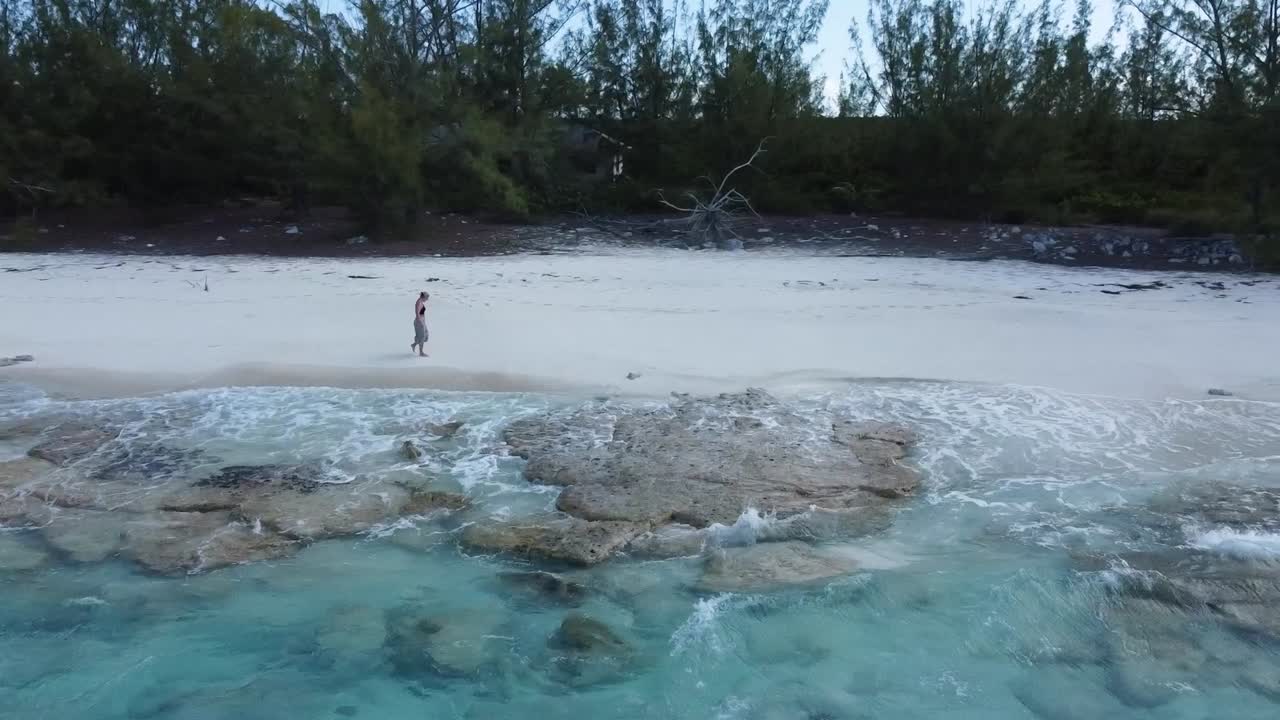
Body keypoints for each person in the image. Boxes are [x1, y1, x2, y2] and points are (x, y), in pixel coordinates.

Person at [411, 291, 429, 357]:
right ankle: (421, 352)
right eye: (427, 298)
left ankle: (414, 345)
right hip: (419, 322)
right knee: (422, 337)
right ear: (424, 297)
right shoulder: (418, 303)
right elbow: (417, 314)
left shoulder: (421, 301)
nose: (427, 299)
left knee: (426, 336)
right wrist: (420, 322)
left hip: (422, 321)